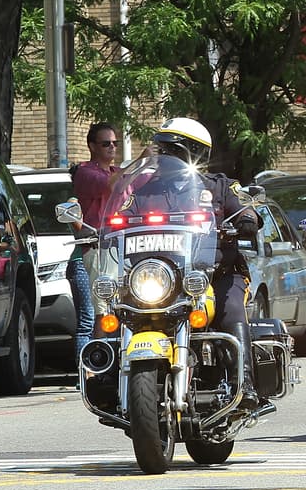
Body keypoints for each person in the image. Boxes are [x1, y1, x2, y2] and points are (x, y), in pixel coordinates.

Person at [133, 118, 264, 407]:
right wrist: (103, 230)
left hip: (217, 274)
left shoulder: (221, 187)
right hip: (162, 278)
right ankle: (105, 376)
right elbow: (120, 219)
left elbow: (248, 211)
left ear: (195, 153)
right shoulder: (145, 192)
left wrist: (245, 219)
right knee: (118, 309)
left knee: (230, 311)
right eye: (162, 149)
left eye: (172, 150)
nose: (164, 157)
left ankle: (243, 384)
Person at [68, 123, 120, 360]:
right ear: (91, 146)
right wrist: (142, 159)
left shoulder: (115, 172)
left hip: (124, 249)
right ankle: (92, 370)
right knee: (98, 315)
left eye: (115, 143)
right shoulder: (86, 173)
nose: (112, 147)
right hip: (98, 250)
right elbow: (112, 185)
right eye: (106, 143)